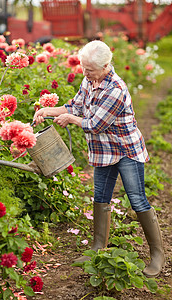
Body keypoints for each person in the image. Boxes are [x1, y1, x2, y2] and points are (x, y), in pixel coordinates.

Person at [33, 40, 165, 278]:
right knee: (101, 197)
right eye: (83, 68)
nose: (85, 73)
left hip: (125, 150)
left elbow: (94, 124)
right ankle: (97, 247)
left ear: (106, 66)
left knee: (136, 199)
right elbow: (76, 106)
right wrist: (48, 111)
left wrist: (71, 120)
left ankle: (157, 254)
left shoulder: (115, 88)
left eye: (90, 69)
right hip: (104, 151)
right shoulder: (89, 79)